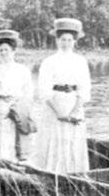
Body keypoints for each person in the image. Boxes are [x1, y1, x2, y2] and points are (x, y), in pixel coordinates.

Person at [32, 18, 92, 173]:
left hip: (74, 104)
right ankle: (51, 173)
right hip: (54, 104)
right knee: (53, 138)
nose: (66, 43)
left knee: (72, 139)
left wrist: (73, 111)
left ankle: (74, 173)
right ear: (57, 41)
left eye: (69, 40)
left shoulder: (80, 61)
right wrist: (59, 112)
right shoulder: (49, 62)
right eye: (62, 39)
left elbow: (84, 89)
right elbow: (44, 90)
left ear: (74, 41)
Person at [0, 30, 35, 168]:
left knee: (18, 133)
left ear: (14, 50)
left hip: (17, 104)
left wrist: (18, 107)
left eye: (7, 50)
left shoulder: (22, 70)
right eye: (1, 50)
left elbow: (28, 93)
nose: (4, 53)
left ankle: (16, 164)